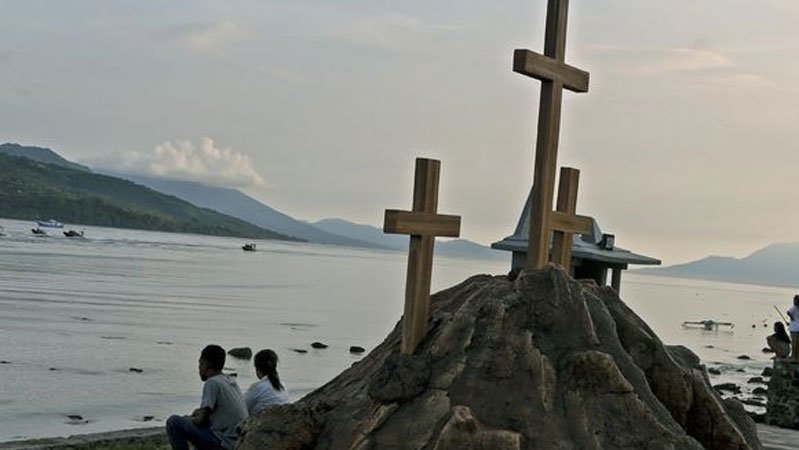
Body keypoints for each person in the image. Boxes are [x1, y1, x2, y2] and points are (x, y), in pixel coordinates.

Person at [166, 345, 249, 450]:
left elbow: (200, 421)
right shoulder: (229, 381)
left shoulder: (212, 382)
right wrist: (199, 413)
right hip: (237, 441)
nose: (199, 368)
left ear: (206, 364)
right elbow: (218, 411)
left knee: (173, 422)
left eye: (200, 364)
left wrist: (189, 418)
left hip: (224, 444)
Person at [244, 349, 290, 415]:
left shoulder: (258, 388)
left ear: (258, 369)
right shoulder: (283, 385)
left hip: (263, 423)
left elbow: (242, 407)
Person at [788, 295, 799, 361]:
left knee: (794, 343)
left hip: (794, 329)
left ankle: (794, 357)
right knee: (797, 344)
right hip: (796, 328)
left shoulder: (794, 307)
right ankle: (797, 357)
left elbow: (788, 312)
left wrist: (792, 318)